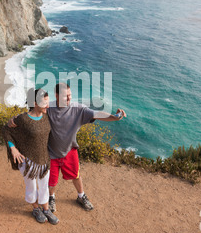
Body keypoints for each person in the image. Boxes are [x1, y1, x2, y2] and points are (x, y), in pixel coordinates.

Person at [7, 82, 127, 213]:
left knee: (76, 175)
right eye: (66, 96)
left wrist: (115, 117)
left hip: (70, 150)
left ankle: (81, 196)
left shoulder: (78, 109)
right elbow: (31, 115)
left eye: (70, 95)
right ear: (57, 96)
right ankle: (51, 198)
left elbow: (96, 114)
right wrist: (13, 120)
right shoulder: (48, 108)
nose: (69, 98)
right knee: (51, 182)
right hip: (51, 152)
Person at [2, 88, 59, 225]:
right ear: (35, 103)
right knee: (32, 187)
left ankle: (46, 209)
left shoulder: (47, 115)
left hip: (44, 160)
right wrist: (13, 149)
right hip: (28, 162)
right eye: (45, 102)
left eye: (47, 102)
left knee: (44, 186)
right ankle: (35, 209)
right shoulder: (23, 119)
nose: (48, 105)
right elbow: (6, 130)